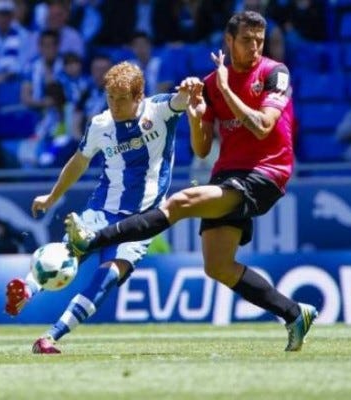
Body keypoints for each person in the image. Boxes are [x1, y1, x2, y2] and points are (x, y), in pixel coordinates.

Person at [63, 11, 318, 352]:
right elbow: (201, 149)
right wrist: (197, 116)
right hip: (228, 173)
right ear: (229, 41)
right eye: (246, 40)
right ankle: (293, 313)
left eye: (259, 40)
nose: (255, 47)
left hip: (266, 172)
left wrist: (226, 89)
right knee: (218, 266)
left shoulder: (275, 73)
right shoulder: (211, 84)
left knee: (180, 203)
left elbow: (262, 126)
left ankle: (92, 240)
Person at [4, 61, 201, 354]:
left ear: (138, 96)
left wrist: (191, 86)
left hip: (141, 220)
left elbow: (183, 99)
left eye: (122, 99)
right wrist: (52, 196)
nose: (116, 105)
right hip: (102, 209)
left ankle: (50, 337)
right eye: (111, 98)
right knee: (67, 254)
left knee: (107, 276)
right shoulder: (101, 125)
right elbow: (79, 162)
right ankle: (26, 290)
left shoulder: (159, 110)